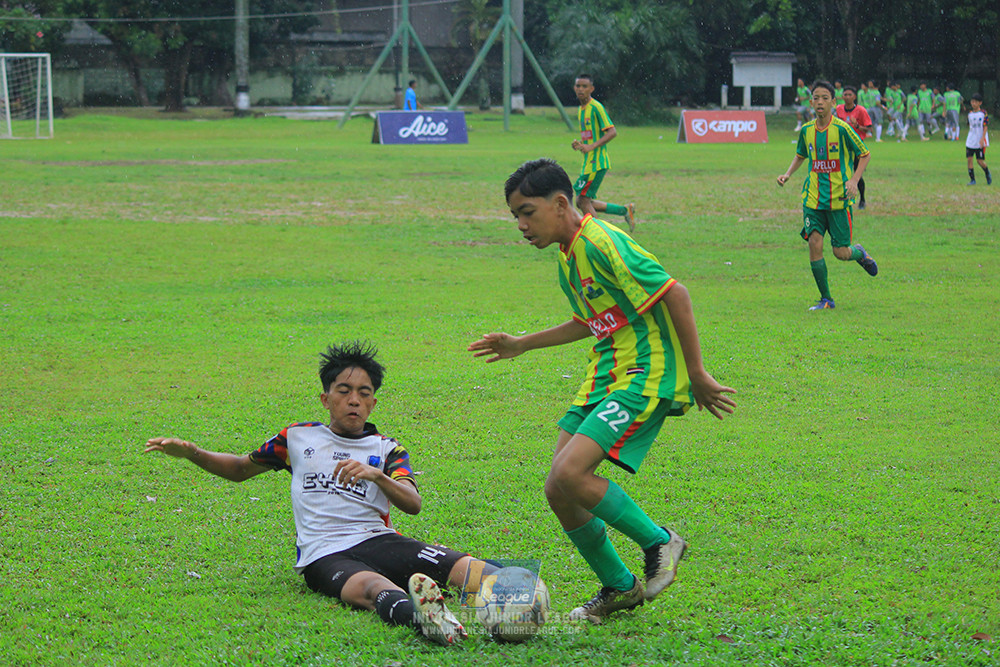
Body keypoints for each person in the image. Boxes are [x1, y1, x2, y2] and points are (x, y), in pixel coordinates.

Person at [468, 158, 736, 624]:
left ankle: (660, 542)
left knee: (571, 473)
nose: (521, 225)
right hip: (605, 374)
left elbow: (676, 293)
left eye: (527, 212)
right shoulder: (567, 256)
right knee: (558, 488)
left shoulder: (603, 242)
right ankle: (620, 587)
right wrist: (522, 344)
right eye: (515, 216)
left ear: (560, 203)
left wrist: (696, 373)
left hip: (645, 371)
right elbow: (588, 321)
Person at [144, 341, 505, 646]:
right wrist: (192, 453)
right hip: (325, 554)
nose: (354, 400)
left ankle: (519, 598)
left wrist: (376, 476)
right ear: (326, 398)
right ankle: (428, 619)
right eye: (344, 391)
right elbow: (239, 469)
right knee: (372, 587)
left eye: (364, 393)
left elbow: (413, 503)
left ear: (373, 404)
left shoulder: (387, 449)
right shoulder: (297, 438)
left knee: (466, 568)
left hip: (379, 540)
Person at [777, 80, 879, 311]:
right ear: (811, 102)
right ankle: (826, 299)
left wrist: (854, 180)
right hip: (813, 198)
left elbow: (865, 154)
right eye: (816, 98)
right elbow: (801, 155)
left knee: (841, 252)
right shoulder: (807, 130)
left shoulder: (842, 129)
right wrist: (787, 174)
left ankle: (859, 253)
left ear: (833, 102)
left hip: (839, 199)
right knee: (814, 243)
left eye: (825, 98)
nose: (820, 102)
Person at [571, 74, 636, 233]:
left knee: (583, 200)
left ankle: (599, 234)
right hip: (588, 162)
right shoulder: (581, 110)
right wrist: (580, 144)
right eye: (578, 86)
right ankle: (624, 210)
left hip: (597, 162)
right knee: (582, 201)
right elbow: (590, 136)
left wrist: (592, 146)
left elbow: (612, 132)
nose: (581, 89)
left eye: (584, 86)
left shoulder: (596, 107)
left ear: (591, 89)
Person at [835, 85, 873, 209]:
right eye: (845, 94)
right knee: (841, 173)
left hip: (856, 147)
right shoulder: (839, 109)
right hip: (843, 146)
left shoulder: (861, 110)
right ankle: (842, 197)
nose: (847, 97)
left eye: (849, 95)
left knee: (857, 174)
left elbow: (869, 129)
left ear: (854, 97)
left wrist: (857, 126)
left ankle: (862, 199)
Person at [965, 93, 992, 185]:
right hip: (970, 140)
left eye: (975, 102)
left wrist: (982, 138)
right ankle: (972, 180)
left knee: (979, 161)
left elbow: (985, 127)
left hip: (980, 140)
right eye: (972, 102)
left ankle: (987, 172)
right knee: (969, 159)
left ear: (980, 103)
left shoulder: (983, 113)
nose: (973, 103)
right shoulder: (970, 114)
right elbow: (969, 125)